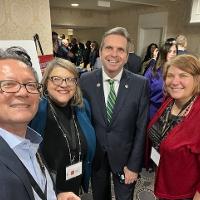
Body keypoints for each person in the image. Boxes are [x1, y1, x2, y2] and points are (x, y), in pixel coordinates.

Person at [0, 46, 80, 200]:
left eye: (30, 85)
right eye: (8, 84)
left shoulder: (31, 142)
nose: (23, 92)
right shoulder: (40, 115)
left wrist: (54, 196)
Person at [80, 27, 149, 200]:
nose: (114, 54)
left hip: (125, 159)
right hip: (97, 159)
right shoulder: (85, 81)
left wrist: (134, 166)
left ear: (127, 55)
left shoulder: (140, 84)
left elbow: (141, 129)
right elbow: (81, 120)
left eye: (120, 50)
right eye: (109, 48)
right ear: (100, 51)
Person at [29, 58, 96, 195]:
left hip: (76, 181)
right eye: (56, 79)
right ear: (46, 81)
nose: (64, 85)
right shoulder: (36, 111)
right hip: (48, 188)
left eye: (70, 79)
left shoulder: (82, 106)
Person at [147, 54, 200, 200]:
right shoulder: (170, 101)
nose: (175, 81)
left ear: (196, 79)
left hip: (183, 193)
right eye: (170, 75)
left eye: (183, 75)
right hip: (163, 182)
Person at [144, 41, 177, 120]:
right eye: (169, 51)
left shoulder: (178, 71)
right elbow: (143, 93)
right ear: (164, 53)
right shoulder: (153, 71)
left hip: (171, 112)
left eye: (175, 52)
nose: (172, 54)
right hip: (153, 111)